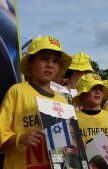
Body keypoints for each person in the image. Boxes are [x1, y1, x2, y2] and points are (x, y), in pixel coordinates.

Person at [0, 36, 72, 169]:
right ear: (30, 63)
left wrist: (77, 145)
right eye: (44, 58)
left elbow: (66, 146)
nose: (50, 65)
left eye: (55, 61)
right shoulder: (17, 92)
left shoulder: (62, 100)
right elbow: (1, 140)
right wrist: (20, 139)